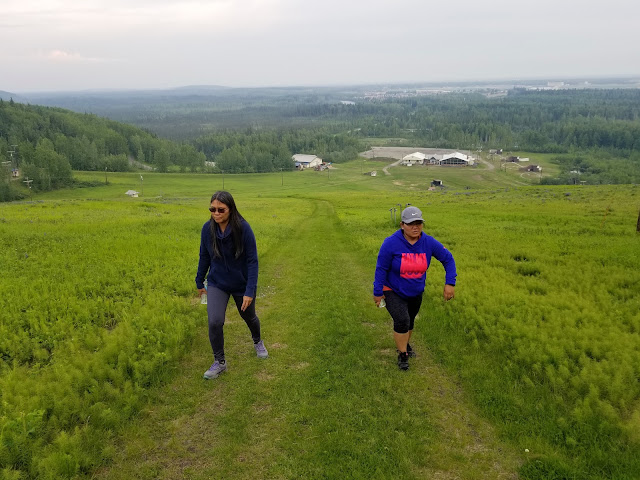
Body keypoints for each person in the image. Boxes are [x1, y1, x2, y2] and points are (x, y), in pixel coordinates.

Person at [373, 206, 456, 371]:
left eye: (418, 222)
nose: (415, 227)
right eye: (411, 223)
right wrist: (378, 292)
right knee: (402, 320)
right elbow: (381, 268)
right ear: (402, 224)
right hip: (392, 289)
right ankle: (402, 354)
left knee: (410, 322)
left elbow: (448, 259)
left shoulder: (429, 242)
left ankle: (405, 344)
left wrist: (450, 283)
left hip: (416, 291)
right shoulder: (391, 243)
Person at [196, 191, 268, 380]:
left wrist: (249, 290)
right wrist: (199, 280)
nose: (216, 213)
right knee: (214, 321)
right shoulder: (207, 229)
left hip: (241, 283)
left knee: (248, 316)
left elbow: (252, 261)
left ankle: (257, 340)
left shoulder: (243, 229)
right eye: (212, 209)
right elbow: (204, 256)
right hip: (217, 283)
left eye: (221, 209)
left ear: (230, 209)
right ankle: (220, 362)